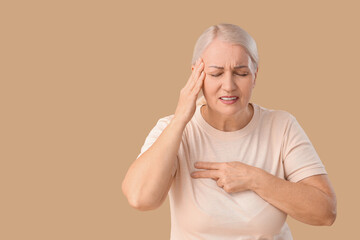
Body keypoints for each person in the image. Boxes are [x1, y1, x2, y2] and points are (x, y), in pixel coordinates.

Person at [121, 23, 337, 239]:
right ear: (196, 74)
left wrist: (254, 179)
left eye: (241, 73)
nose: (229, 85)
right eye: (216, 74)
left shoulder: (282, 126)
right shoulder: (174, 129)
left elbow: (326, 212)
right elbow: (140, 198)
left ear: (255, 75)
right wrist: (180, 120)